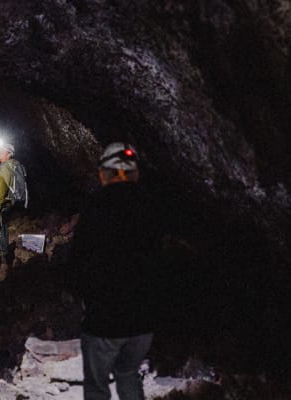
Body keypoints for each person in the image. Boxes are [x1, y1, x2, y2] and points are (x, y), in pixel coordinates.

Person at [68, 142, 164, 400]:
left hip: (105, 317)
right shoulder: (153, 206)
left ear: (105, 172)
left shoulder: (97, 205)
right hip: (144, 318)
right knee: (128, 374)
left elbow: (77, 258)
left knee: (97, 386)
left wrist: (80, 295)